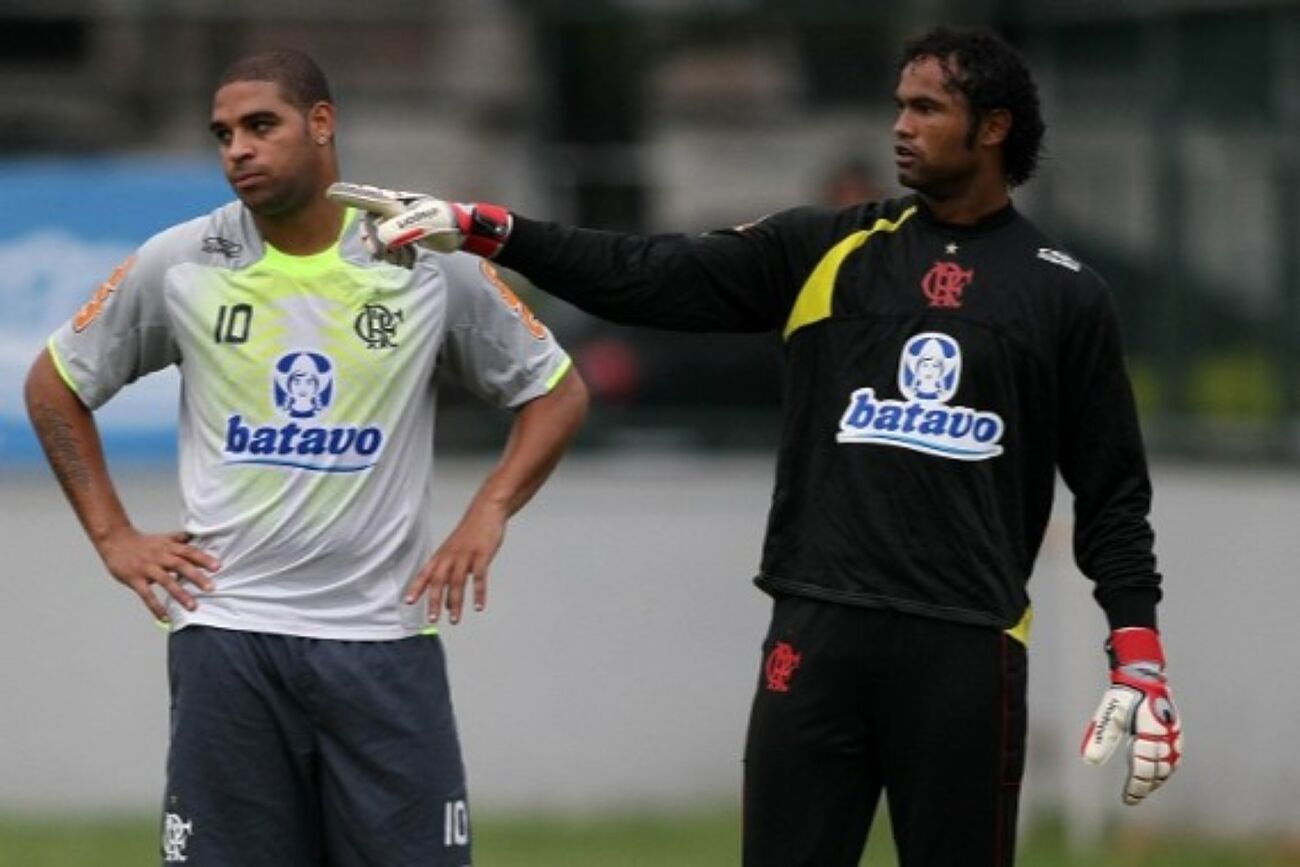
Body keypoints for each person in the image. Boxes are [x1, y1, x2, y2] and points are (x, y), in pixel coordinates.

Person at [331, 26, 1183, 867]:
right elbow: (646, 271)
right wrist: (487, 229)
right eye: (900, 105)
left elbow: (1112, 493)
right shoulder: (831, 248)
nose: (902, 125)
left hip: (966, 648)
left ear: (993, 127)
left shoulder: (1064, 295)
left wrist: (1136, 648)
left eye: (927, 108)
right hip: (817, 636)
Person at [24, 49, 587, 866]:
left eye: (260, 126)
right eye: (222, 135)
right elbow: (54, 384)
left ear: (322, 125)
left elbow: (555, 389)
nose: (237, 150)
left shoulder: (420, 259)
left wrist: (489, 509)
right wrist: (114, 535)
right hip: (230, 638)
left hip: (381, 641)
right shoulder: (182, 262)